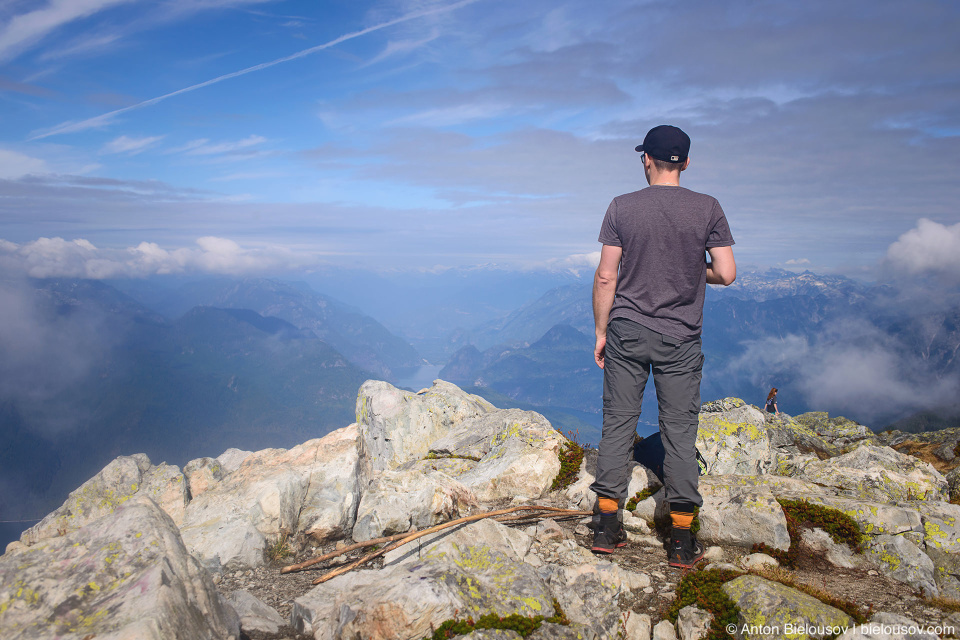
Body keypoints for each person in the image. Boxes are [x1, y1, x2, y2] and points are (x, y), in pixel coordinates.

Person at [590, 125, 736, 569]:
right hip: (681, 337)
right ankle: (681, 538)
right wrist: (695, 271)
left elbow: (605, 277)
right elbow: (726, 273)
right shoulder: (707, 208)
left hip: (627, 329)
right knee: (679, 433)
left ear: (646, 160)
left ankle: (606, 525)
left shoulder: (622, 207)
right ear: (686, 163)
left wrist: (601, 332)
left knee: (619, 423)